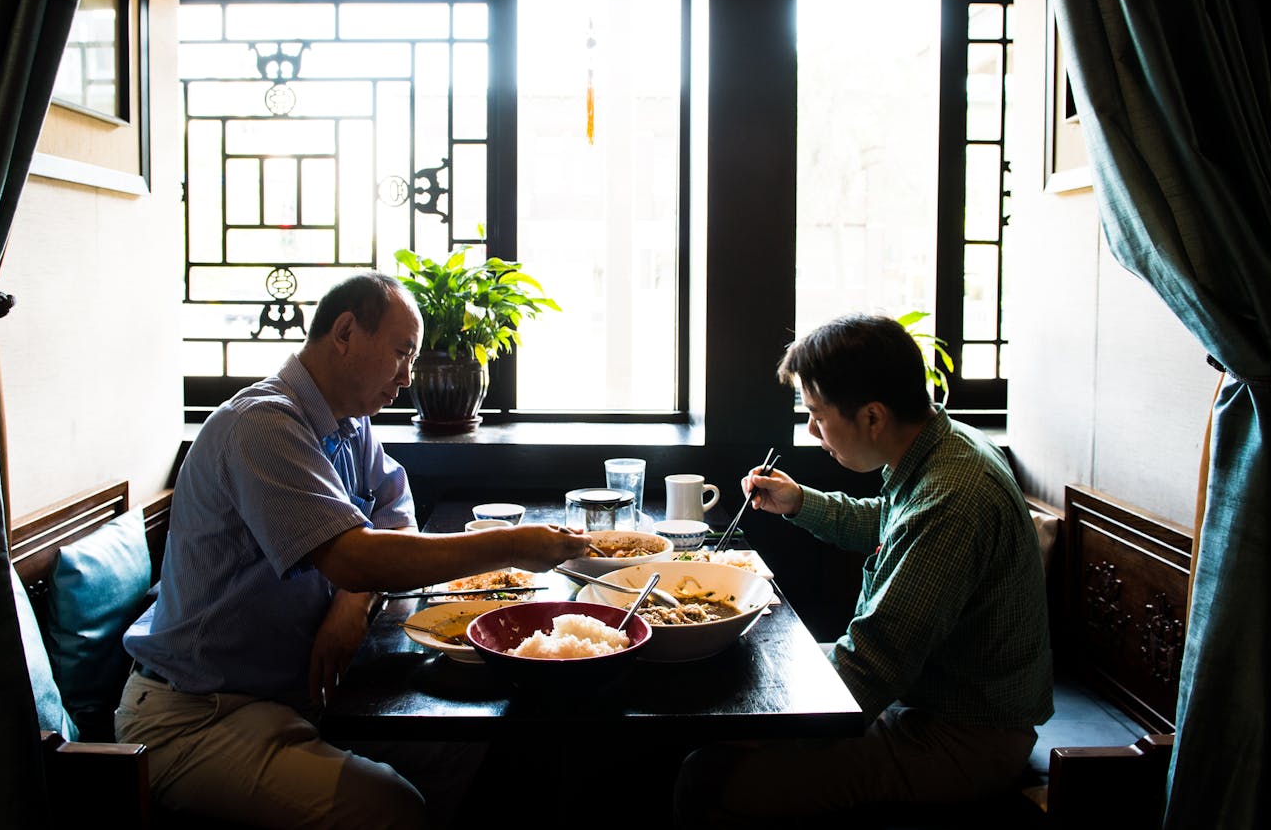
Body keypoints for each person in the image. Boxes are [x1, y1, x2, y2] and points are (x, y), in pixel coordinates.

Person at [115, 272, 589, 830]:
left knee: (466, 743)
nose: (409, 377)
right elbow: (351, 556)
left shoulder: (349, 423)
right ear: (345, 332)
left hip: (293, 696)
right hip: (198, 714)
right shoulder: (263, 423)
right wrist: (512, 545)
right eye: (401, 353)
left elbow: (395, 510)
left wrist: (349, 603)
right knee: (391, 808)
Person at [675, 313, 1053, 824]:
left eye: (817, 414)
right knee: (737, 682)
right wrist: (799, 501)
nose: (810, 429)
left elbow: (875, 663)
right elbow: (890, 522)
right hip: (924, 698)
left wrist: (758, 730)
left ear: (872, 416)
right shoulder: (940, 445)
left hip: (962, 734)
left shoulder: (951, 500)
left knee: (713, 777)